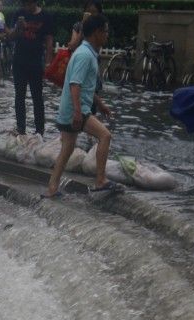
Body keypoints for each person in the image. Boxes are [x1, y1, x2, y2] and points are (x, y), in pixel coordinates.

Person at [44, 14, 114, 197]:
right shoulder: (85, 55)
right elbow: (75, 84)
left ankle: (52, 187)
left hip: (71, 108)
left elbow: (86, 87)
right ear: (97, 33)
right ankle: (100, 180)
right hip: (77, 110)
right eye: (105, 31)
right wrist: (77, 112)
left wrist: (100, 104)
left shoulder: (85, 52)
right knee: (105, 136)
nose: (107, 35)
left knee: (67, 148)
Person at [7, 0, 55, 136]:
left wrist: (48, 62)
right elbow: (10, 37)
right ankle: (21, 128)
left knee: (37, 97)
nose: (27, 7)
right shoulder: (19, 14)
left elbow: (49, 40)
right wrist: (17, 28)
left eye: (29, 4)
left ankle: (39, 130)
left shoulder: (45, 16)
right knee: (19, 95)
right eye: (25, 4)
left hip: (35, 62)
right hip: (19, 61)